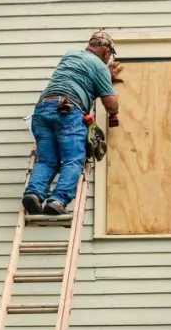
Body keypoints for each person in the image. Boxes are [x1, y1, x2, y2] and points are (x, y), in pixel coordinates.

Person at [23, 31, 122, 216]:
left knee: (47, 160)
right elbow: (110, 103)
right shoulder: (100, 67)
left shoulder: (70, 54)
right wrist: (113, 107)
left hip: (42, 110)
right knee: (73, 160)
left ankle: (34, 194)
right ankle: (58, 200)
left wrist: (104, 76)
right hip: (68, 112)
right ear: (107, 52)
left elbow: (80, 75)